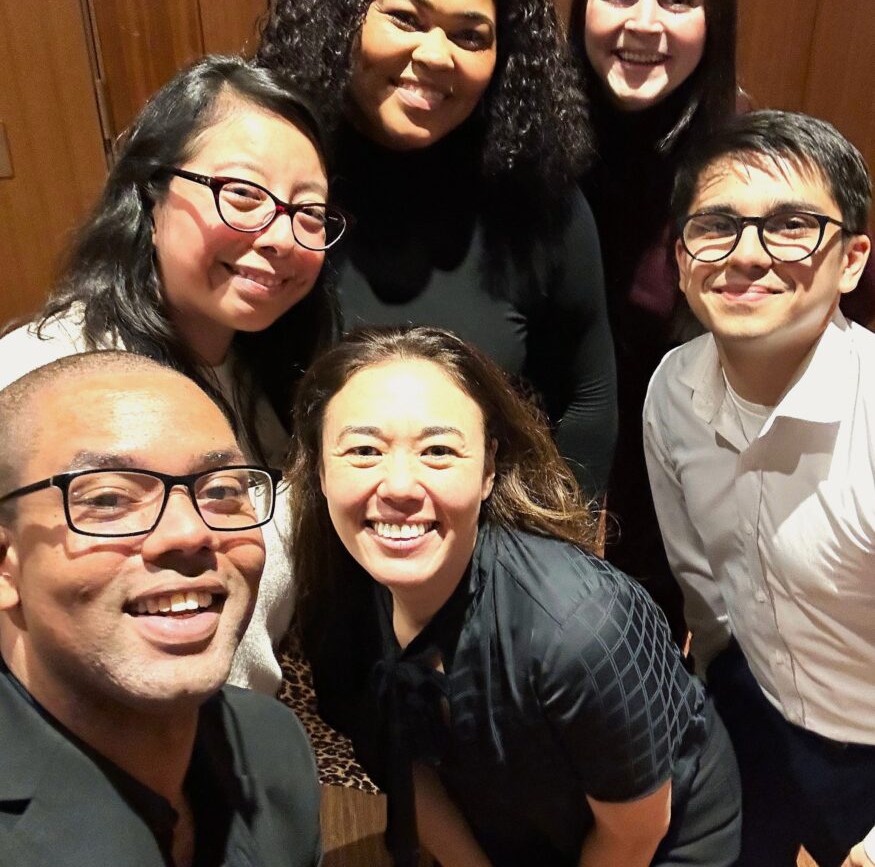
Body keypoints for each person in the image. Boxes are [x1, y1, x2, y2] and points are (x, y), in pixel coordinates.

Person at [286, 324, 740, 867]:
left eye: (438, 450)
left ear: (488, 468)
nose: (400, 486)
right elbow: (406, 766)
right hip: (512, 819)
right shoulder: (341, 596)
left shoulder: (578, 628)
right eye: (364, 449)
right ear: (319, 468)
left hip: (660, 840)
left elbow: (633, 833)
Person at [0, 55, 348, 693]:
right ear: (149, 196)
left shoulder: (266, 374)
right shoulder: (41, 375)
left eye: (309, 214)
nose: (279, 236)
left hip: (222, 748)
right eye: (243, 195)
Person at [256, 0, 616, 497]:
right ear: (343, 17)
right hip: (298, 555)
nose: (435, 54)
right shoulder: (271, 184)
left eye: (470, 36)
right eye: (405, 18)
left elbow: (585, 403)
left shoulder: (539, 202)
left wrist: (565, 556)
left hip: (490, 555)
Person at [643, 110, 875, 867]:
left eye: (790, 226)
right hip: (752, 705)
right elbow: (700, 587)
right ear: (681, 260)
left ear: (851, 260)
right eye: (716, 226)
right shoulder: (673, 389)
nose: (746, 254)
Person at [0, 351, 322, 866]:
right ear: (5, 563)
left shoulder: (271, 747)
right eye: (108, 499)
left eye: (221, 490)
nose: (190, 531)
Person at [567, 0, 739, 640]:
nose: (644, 22)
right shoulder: (526, 149)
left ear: (715, 21)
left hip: (667, 501)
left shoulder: (738, 168)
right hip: (526, 476)